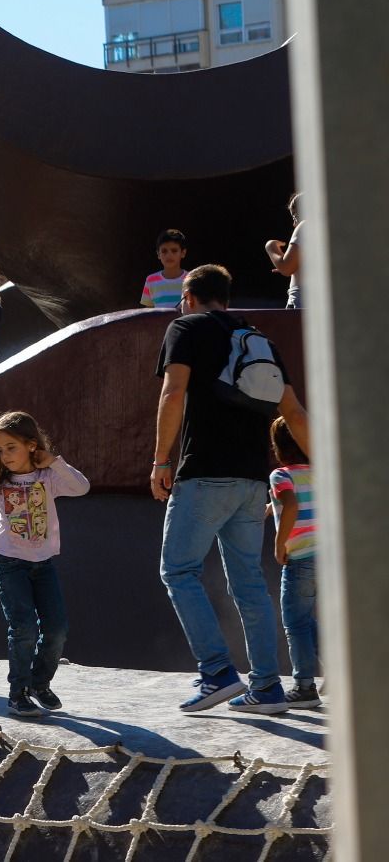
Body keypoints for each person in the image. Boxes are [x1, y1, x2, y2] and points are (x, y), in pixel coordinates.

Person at [152, 263, 312, 714]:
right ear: (226, 295)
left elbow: (173, 393)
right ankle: (266, 686)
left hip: (204, 473)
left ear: (188, 296)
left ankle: (217, 672)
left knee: (178, 571)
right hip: (251, 480)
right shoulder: (257, 337)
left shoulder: (185, 327)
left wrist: (161, 459)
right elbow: (295, 413)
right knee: (249, 584)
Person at [0, 411, 90, 718]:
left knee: (57, 629)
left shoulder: (48, 478)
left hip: (43, 565)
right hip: (10, 563)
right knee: (24, 628)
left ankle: (40, 684)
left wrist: (54, 460)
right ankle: (18, 694)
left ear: (31, 445)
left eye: (11, 447)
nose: (5, 455)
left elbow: (82, 487)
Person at [268, 416, 321, 709]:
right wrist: (269, 507)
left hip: (299, 559)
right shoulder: (318, 473)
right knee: (307, 619)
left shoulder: (280, 476)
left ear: (278, 447)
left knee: (295, 622)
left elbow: (290, 504)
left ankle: (304, 687)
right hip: (326, 557)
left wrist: (279, 543)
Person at [265, 193, 303, 309]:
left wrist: (271, 247)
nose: (294, 224)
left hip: (301, 301)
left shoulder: (305, 225)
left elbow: (286, 268)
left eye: (294, 216)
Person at [140, 229, 189, 310]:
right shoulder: (151, 280)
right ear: (158, 254)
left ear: (183, 253)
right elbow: (148, 313)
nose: (169, 255)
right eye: (164, 251)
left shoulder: (191, 280)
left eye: (174, 250)